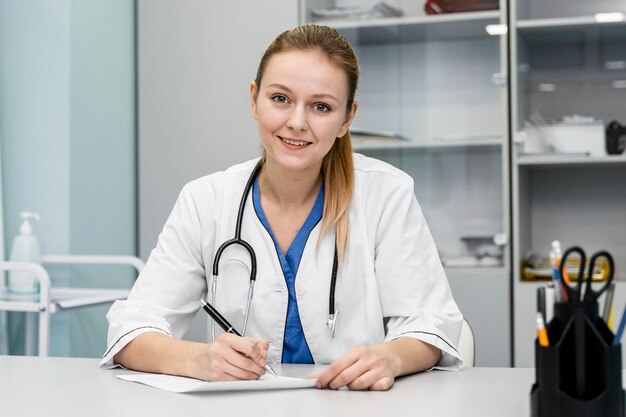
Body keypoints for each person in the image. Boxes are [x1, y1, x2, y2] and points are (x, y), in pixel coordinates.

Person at [100, 24, 462, 391]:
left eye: (321, 106)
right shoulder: (205, 200)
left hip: (355, 405)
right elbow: (131, 330)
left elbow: (431, 325)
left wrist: (389, 357)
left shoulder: (385, 194)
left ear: (347, 118)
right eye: (281, 99)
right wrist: (198, 359)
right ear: (254, 99)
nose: (297, 122)